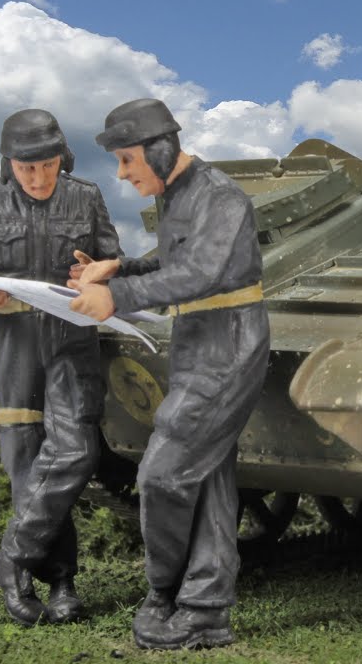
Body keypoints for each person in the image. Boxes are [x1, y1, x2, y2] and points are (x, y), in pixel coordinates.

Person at [69, 98, 269, 650]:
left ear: (158, 151)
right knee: (207, 479)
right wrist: (121, 266)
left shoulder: (220, 195)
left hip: (227, 343)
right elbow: (175, 259)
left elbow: (202, 272)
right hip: (196, 339)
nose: (121, 173)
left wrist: (117, 295)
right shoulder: (178, 193)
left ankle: (165, 592)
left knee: (162, 473)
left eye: (127, 160)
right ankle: (205, 611)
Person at [0, 108, 123, 626]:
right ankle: (60, 581)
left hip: (72, 338)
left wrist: (96, 274)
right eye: (27, 168)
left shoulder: (87, 196)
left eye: (48, 166)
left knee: (75, 451)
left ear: (62, 158)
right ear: (8, 163)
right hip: (11, 343)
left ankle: (10, 561)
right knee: (26, 464)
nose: (40, 178)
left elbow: (113, 261)